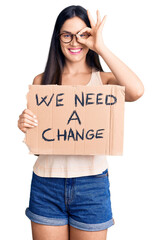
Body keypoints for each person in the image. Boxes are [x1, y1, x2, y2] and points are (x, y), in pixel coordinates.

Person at [18, 5, 144, 240]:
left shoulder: (105, 82)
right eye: (67, 35)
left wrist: (101, 47)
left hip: (91, 187)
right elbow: (42, 146)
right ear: (58, 38)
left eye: (82, 34)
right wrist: (26, 124)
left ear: (90, 36)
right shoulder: (42, 81)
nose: (74, 42)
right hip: (46, 185)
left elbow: (136, 91)